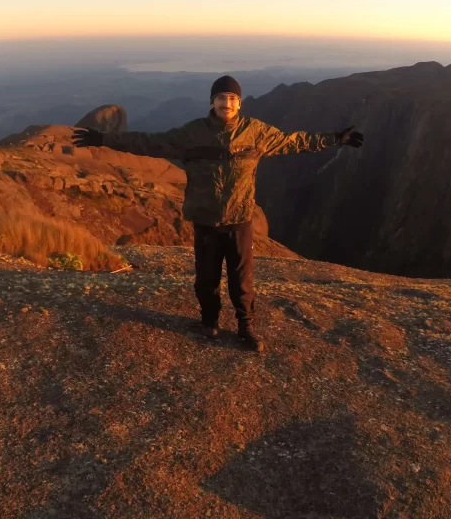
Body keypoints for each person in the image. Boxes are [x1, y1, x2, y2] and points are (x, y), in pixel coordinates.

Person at [73, 75, 364, 351]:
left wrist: (335, 138)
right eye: (221, 98)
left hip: (239, 219)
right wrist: (104, 139)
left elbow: (294, 141)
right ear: (212, 102)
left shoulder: (257, 133)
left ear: (240, 104)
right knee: (206, 277)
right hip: (205, 218)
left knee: (242, 279)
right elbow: (149, 141)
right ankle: (209, 321)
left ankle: (246, 327)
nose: (227, 103)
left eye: (233, 99)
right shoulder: (193, 133)